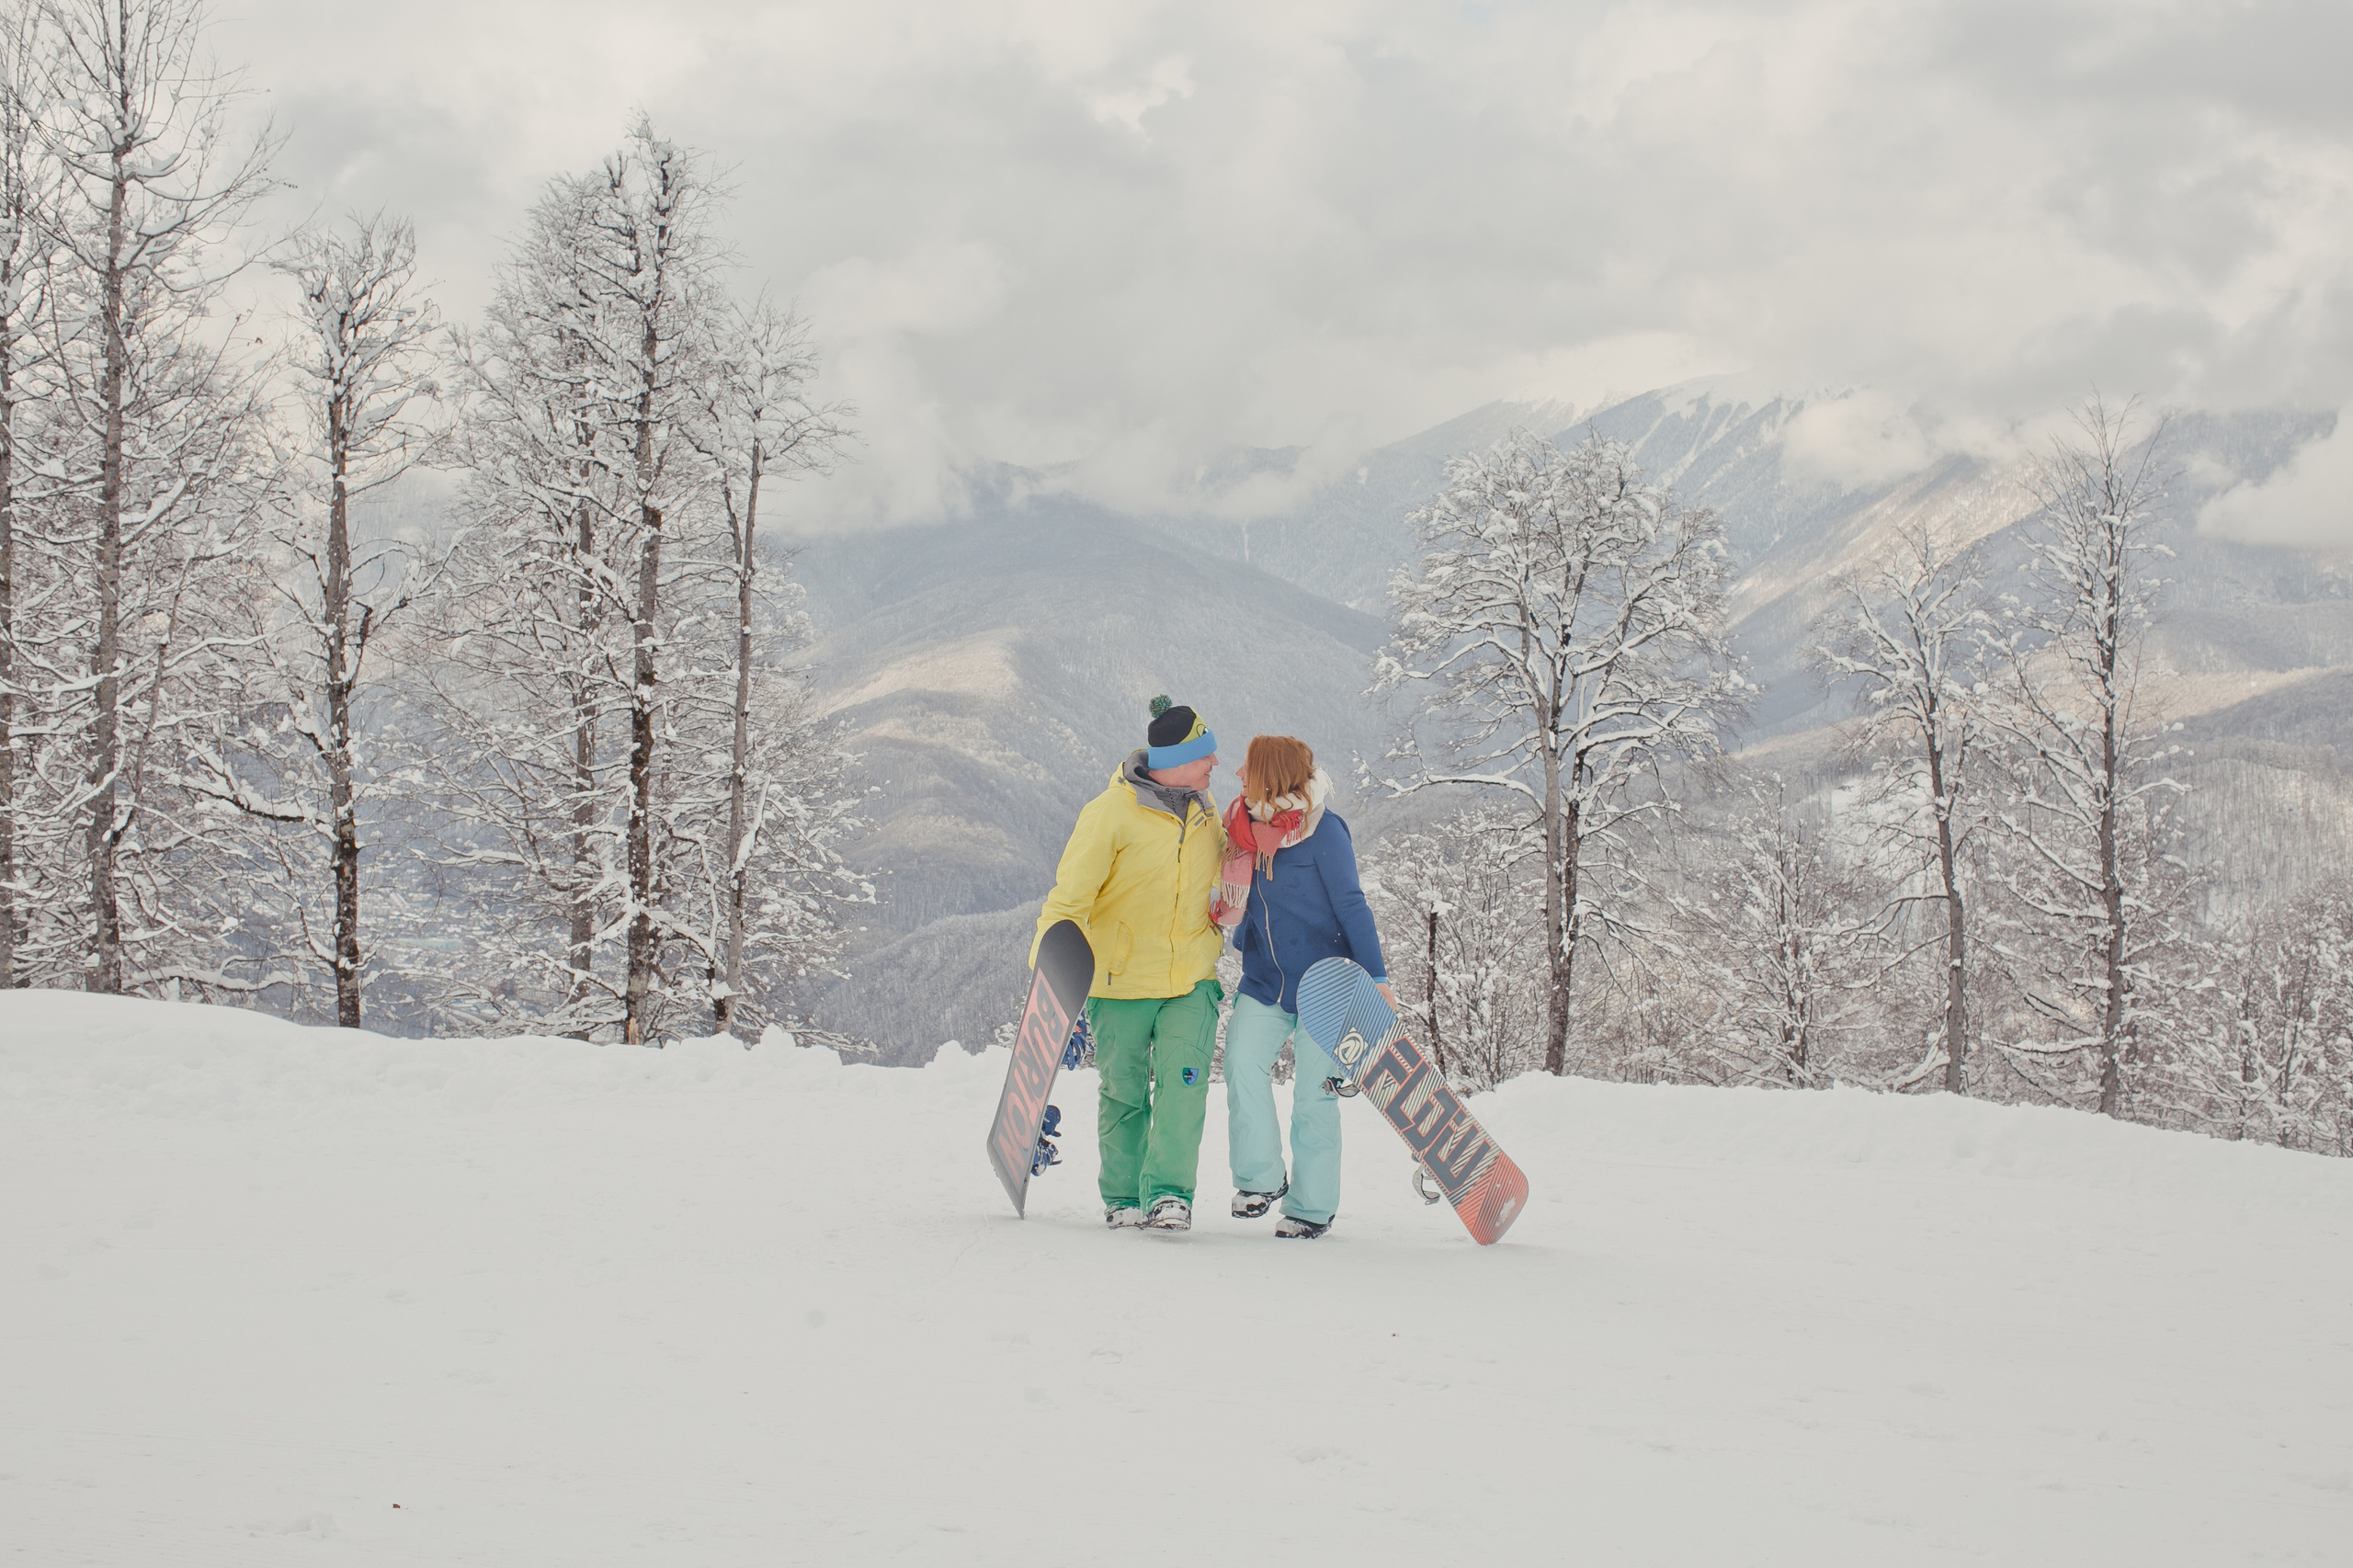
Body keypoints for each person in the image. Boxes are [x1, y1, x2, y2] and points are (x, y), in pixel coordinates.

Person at [1032, 697, 1228, 1232]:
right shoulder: (1109, 814)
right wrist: (1050, 983)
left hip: (1191, 979)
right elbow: (1067, 902)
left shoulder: (1205, 809)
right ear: (1176, 760)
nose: (1216, 764)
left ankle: (1169, 1195)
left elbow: (1229, 869)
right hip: (1120, 981)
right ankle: (1123, 1197)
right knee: (1124, 1092)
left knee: (1184, 1084)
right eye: (1206, 755)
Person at [1216, 734, 1391, 1240]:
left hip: (1326, 988)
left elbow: (1353, 906)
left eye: (1247, 767)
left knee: (1315, 1096)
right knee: (1240, 1064)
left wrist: (1377, 979)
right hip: (1266, 980)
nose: (1238, 775)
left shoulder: (1325, 831)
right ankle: (1261, 1179)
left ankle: (1311, 1207)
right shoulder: (1242, 828)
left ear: (1269, 777)